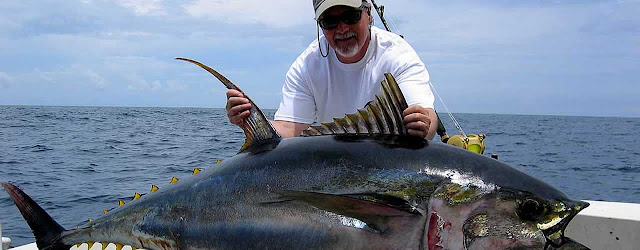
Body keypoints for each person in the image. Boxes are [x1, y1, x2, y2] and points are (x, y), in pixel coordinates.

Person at [226, 0, 438, 139]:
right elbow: (290, 129)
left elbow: (427, 116)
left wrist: (424, 124)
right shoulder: (307, 65)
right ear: (319, 24)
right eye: (330, 21)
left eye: (351, 16)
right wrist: (249, 121)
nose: (342, 28)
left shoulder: (397, 55)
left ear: (369, 13)